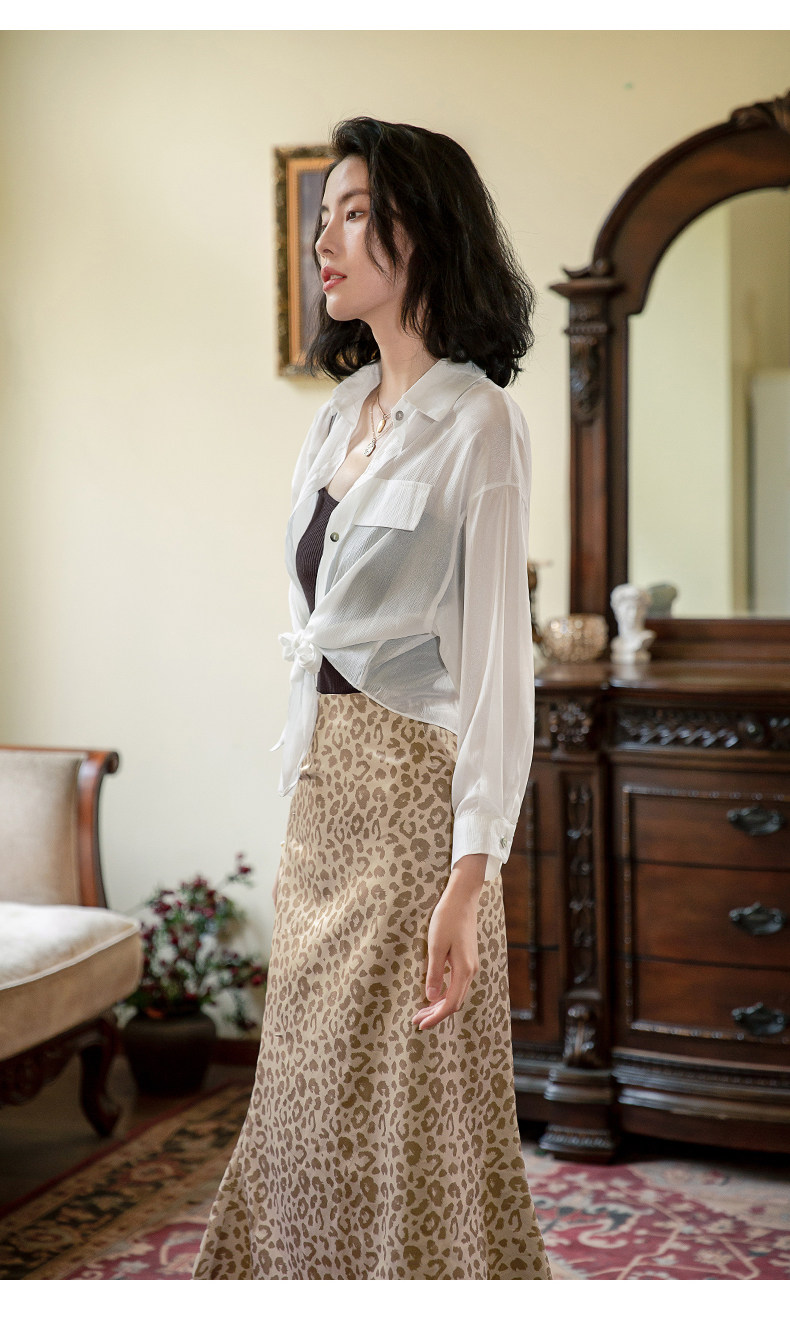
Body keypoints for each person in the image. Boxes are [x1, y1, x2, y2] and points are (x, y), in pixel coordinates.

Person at [193, 115, 551, 1281]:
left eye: (355, 214)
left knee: (401, 1107)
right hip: (322, 802)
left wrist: (469, 876)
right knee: (302, 1105)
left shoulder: (479, 424)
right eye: (323, 216)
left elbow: (499, 671)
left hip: (410, 814)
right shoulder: (331, 417)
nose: (325, 241)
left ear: (424, 232)